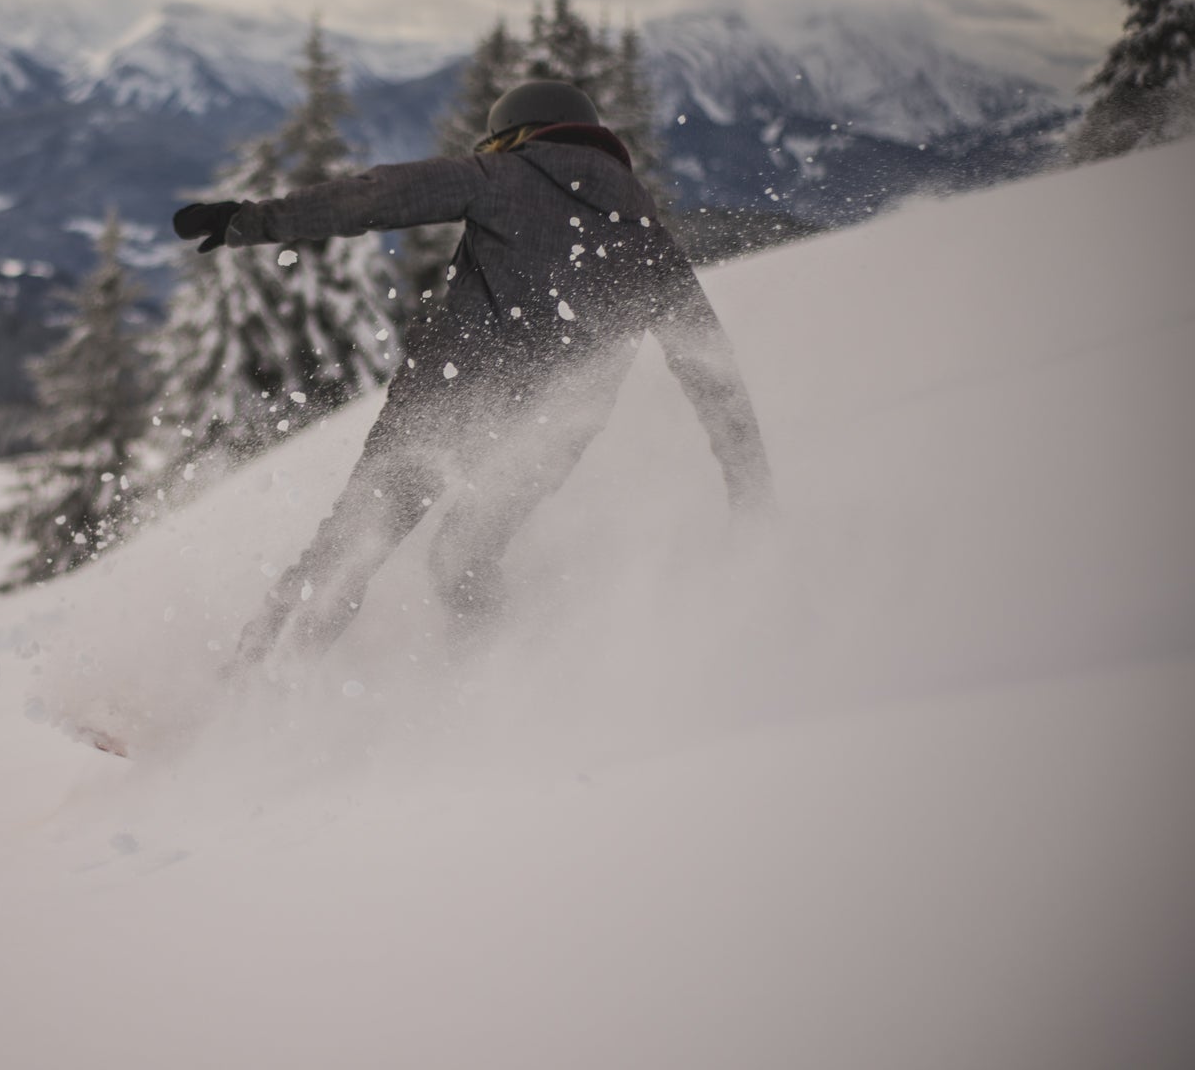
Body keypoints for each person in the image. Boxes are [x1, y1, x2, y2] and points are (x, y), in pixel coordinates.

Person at [171, 79, 773, 673]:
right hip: (551, 434)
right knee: (462, 559)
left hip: (450, 404)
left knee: (346, 555)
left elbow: (376, 195)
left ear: (516, 136)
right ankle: (489, 687)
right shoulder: (649, 240)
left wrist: (249, 222)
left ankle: (248, 704)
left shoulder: (504, 176)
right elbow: (710, 368)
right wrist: (752, 488)